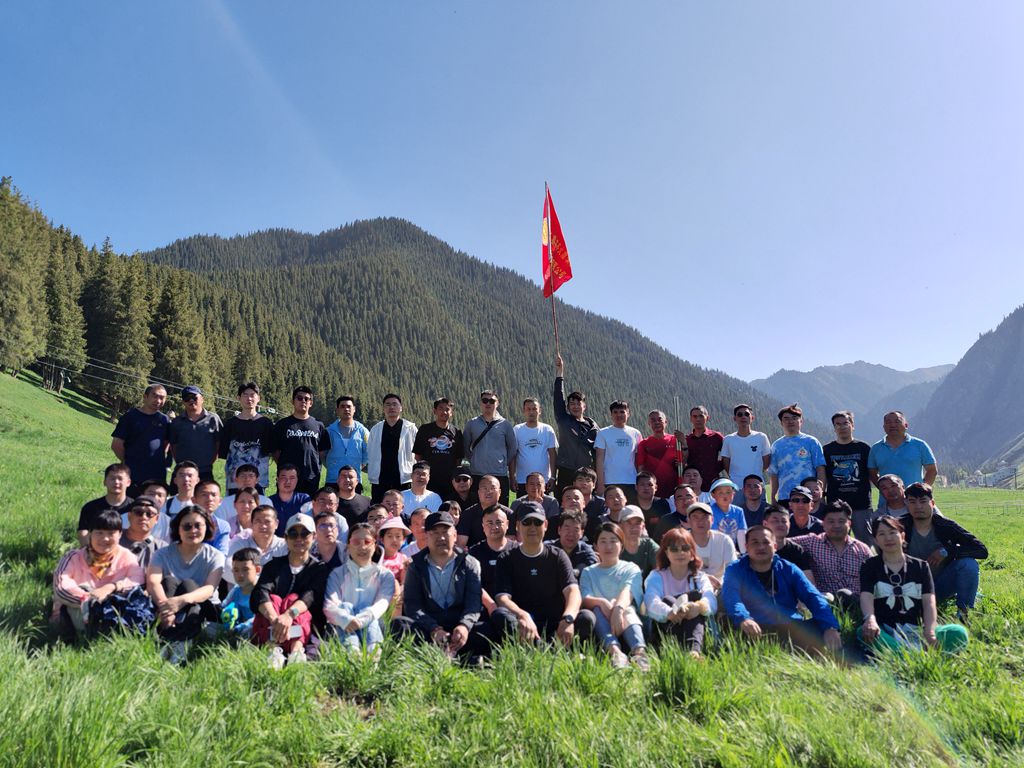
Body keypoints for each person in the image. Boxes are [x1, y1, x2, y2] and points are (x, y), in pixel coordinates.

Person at [720, 526, 842, 656]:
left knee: (821, 628)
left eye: (766, 542)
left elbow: (812, 597)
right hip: (754, 626)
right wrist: (744, 619)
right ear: (746, 547)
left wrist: (830, 627)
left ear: (775, 546)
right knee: (731, 625)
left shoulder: (788, 568)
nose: (761, 547)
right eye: (755, 542)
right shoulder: (735, 569)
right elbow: (732, 598)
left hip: (790, 625)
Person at [391, 510, 494, 660]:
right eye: (435, 533)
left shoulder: (470, 563)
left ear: (455, 535)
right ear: (426, 536)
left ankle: (459, 656)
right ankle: (456, 657)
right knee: (400, 625)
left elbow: (473, 603)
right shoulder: (416, 565)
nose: (441, 537)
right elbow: (413, 605)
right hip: (429, 626)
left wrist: (464, 626)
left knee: (493, 626)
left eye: (445, 532)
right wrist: (434, 629)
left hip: (460, 625)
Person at [859, 516, 969, 654]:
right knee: (863, 633)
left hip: (917, 630)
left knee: (958, 633)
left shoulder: (920, 566)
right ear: (875, 540)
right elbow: (866, 596)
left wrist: (930, 630)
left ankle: (902, 654)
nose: (888, 538)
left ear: (902, 536)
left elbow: (929, 602)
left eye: (892, 532)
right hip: (886, 630)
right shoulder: (869, 566)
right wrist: (870, 619)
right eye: (881, 534)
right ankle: (914, 654)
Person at [492, 503, 596, 647]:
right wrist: (522, 615)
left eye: (537, 522)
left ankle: (544, 647)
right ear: (517, 526)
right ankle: (549, 649)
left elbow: (573, 591)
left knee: (586, 617)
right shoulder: (506, 558)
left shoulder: (558, 556)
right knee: (500, 615)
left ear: (545, 525)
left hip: (556, 623)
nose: (532, 527)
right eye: (527, 522)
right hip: (523, 624)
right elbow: (502, 598)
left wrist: (568, 618)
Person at [147, 505, 225, 664]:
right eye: (187, 526)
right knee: (169, 581)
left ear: (207, 527)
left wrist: (181, 600)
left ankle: (178, 641)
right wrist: (167, 609)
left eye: (198, 526)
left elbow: (209, 589)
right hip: (167, 605)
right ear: (178, 529)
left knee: (189, 585)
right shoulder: (162, 553)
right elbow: (153, 582)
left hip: (204, 607)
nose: (193, 530)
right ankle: (172, 639)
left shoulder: (215, 556)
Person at [53, 509, 145, 639]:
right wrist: (90, 599)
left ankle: (106, 635)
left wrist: (112, 587)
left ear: (120, 534)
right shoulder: (73, 557)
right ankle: (89, 635)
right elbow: (61, 587)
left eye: (111, 533)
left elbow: (138, 580)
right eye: (99, 533)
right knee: (83, 588)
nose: (105, 538)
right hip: (77, 611)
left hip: (112, 610)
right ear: (90, 534)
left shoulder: (127, 556)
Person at [251, 512, 328, 667]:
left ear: (313, 537)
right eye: (293, 534)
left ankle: (296, 653)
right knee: (273, 600)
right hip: (272, 625)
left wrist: (288, 615)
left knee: (295, 601)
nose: (299, 539)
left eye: (304, 534)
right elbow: (260, 593)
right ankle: (274, 651)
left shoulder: (319, 569)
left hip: (303, 629)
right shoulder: (273, 566)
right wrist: (276, 619)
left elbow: (310, 596)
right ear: (286, 538)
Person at [901, 483, 988, 618]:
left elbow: (981, 550)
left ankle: (964, 614)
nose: (918, 506)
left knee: (968, 564)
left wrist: (947, 551)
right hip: (907, 588)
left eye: (923, 501)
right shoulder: (899, 526)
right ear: (906, 504)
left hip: (940, 585)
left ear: (932, 503)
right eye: (912, 502)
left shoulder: (945, 526)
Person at [580, 522, 650, 670]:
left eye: (613, 541)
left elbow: (628, 591)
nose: (608, 546)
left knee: (627, 609)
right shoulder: (588, 572)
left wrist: (618, 609)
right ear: (595, 546)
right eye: (603, 541)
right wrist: (603, 602)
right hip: (601, 627)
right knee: (597, 609)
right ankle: (616, 653)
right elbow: (585, 597)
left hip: (627, 623)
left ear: (621, 545)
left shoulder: (631, 568)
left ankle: (640, 653)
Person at [324, 522, 396, 654]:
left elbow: (381, 604)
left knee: (369, 611)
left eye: (367, 542)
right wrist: (347, 620)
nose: (362, 547)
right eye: (356, 542)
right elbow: (330, 606)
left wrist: (361, 620)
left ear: (375, 545)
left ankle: (373, 653)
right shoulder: (337, 574)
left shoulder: (385, 575)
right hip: (344, 625)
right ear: (348, 545)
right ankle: (352, 652)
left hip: (374, 625)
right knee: (345, 607)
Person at [643, 528, 716, 657]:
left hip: (696, 624)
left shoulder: (700, 577)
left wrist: (698, 607)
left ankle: (693, 652)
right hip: (666, 628)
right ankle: (690, 651)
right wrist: (670, 612)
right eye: (674, 549)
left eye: (685, 548)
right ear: (666, 553)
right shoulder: (656, 576)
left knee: (694, 603)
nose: (680, 553)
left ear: (692, 553)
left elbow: (711, 600)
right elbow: (651, 602)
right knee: (668, 600)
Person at [790, 501, 873, 609]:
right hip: (826, 604)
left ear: (849, 523)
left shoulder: (862, 550)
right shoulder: (811, 542)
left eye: (841, 521)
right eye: (831, 521)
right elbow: (781, 543)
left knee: (846, 594)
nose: (836, 526)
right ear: (823, 523)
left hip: (857, 605)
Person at [823, 410, 874, 543]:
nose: (842, 427)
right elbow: (823, 476)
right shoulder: (827, 450)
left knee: (865, 543)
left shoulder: (864, 448)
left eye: (845, 423)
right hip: (836, 506)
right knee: (836, 542)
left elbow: (872, 474)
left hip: (861, 505)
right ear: (834, 428)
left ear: (852, 425)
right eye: (838, 424)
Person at [111, 383, 170, 494]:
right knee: (131, 503)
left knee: (153, 504)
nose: (158, 400)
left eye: (162, 398)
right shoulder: (130, 417)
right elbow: (116, 445)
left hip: (157, 474)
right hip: (133, 473)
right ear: (145, 396)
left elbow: (166, 444)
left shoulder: (164, 420)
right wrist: (128, 462)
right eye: (155, 396)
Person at [552, 354, 599, 496]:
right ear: (567, 407)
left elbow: (598, 453)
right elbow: (558, 397)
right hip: (566, 471)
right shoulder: (563, 420)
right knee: (564, 503)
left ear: (584, 406)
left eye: (579, 403)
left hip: (586, 473)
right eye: (572, 403)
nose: (575, 406)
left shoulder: (593, 427)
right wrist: (560, 373)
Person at [273, 386, 330, 497]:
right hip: (287, 478)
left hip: (311, 478)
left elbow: (322, 453)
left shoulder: (319, 425)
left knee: (309, 507)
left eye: (306, 399)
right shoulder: (282, 425)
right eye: (299, 398)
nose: (303, 401)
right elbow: (276, 453)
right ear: (293, 401)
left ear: (311, 403)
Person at [463, 390, 517, 505]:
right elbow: (465, 447)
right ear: (481, 403)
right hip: (477, 475)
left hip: (499, 475)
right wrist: (474, 460)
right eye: (485, 400)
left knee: (500, 509)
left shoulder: (505, 425)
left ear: (497, 403)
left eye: (492, 401)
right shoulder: (471, 424)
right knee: (476, 509)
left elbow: (512, 448)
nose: (488, 403)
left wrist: (503, 462)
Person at [219, 381, 275, 492]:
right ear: (238, 398)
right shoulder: (230, 424)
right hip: (234, 481)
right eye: (245, 395)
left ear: (258, 398)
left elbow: (272, 450)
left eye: (252, 395)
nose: (249, 398)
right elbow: (223, 452)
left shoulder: (266, 424)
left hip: (258, 481)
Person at [769, 404, 826, 504]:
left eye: (794, 418)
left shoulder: (811, 442)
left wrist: (821, 494)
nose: (790, 421)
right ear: (781, 422)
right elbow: (774, 474)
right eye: (786, 418)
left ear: (801, 421)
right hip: (785, 497)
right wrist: (773, 496)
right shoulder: (776, 446)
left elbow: (820, 470)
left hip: (809, 497)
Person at [868, 411, 938, 489]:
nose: (892, 425)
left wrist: (922, 490)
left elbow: (932, 470)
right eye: (888, 422)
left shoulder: (920, 445)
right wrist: (885, 489)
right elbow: (872, 473)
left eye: (897, 421)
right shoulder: (876, 448)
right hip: (886, 497)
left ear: (906, 425)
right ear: (884, 427)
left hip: (914, 496)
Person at [368, 393, 418, 503]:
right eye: (388, 404)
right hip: (380, 480)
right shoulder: (376, 430)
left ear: (401, 408)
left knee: (404, 509)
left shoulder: (410, 428)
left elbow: (418, 454)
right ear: (383, 408)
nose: (391, 407)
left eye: (395, 404)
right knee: (379, 509)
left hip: (404, 479)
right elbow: (370, 453)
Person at [467, 505, 516, 617]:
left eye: (499, 522)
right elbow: (472, 584)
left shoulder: (517, 550)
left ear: (507, 524)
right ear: (483, 526)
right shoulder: (474, 553)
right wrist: (491, 605)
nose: (495, 527)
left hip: (515, 608)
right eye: (490, 523)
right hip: (483, 610)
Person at [413, 397, 465, 500]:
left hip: (449, 481)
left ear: (451, 413)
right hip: (429, 479)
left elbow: (459, 458)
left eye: (447, 409)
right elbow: (418, 455)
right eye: (441, 408)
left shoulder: (456, 432)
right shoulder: (425, 430)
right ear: (435, 411)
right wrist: (423, 472)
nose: (444, 412)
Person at [168, 385, 223, 482]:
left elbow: (218, 443)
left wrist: (210, 461)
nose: (191, 400)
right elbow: (173, 446)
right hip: (182, 472)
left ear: (202, 399)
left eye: (194, 397)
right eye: (187, 398)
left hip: (205, 471)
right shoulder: (176, 422)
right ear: (183, 402)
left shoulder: (213, 419)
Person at [226, 504, 287, 584]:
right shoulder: (240, 544)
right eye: (258, 521)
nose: (263, 526)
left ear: (276, 524)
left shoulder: (285, 546)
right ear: (251, 524)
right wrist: (256, 582)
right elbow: (227, 567)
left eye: (267, 522)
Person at [594, 400, 642, 502]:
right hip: (610, 481)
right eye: (615, 412)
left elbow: (638, 459)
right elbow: (599, 459)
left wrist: (640, 482)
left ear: (628, 413)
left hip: (631, 481)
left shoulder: (636, 433)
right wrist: (600, 484)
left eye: (622, 412)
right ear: (611, 415)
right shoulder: (603, 433)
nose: (618, 415)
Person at [77, 463, 133, 546]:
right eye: (112, 478)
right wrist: (92, 551)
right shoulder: (90, 507)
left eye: (120, 478)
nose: (116, 482)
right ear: (104, 482)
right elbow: (83, 532)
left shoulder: (135, 508)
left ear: (128, 482)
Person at [510, 398, 558, 494]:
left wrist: (553, 477)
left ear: (539, 411)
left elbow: (552, 455)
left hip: (543, 480)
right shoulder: (517, 430)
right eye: (528, 409)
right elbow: (513, 455)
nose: (531, 412)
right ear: (524, 411)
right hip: (522, 480)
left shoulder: (547, 430)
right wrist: (512, 477)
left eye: (534, 409)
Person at [685, 502, 737, 590]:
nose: (700, 521)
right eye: (695, 517)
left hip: (720, 588)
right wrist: (703, 578)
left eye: (704, 517)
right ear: (688, 521)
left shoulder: (724, 540)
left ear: (712, 520)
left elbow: (733, 571)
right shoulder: (682, 541)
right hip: (689, 588)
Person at [324, 395, 370, 492]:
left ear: (354, 409)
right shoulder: (328, 431)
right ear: (337, 410)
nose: (346, 409)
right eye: (342, 406)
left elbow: (367, 453)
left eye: (349, 406)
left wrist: (359, 466)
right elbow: (323, 455)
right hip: (333, 480)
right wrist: (332, 466)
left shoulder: (363, 431)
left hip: (354, 480)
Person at [720, 404, 772, 488]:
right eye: (740, 415)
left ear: (752, 418)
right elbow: (726, 463)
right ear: (735, 418)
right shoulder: (728, 440)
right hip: (736, 486)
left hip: (757, 486)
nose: (743, 417)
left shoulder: (761, 437)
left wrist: (756, 473)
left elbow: (766, 462)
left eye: (747, 414)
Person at [637, 410, 684, 500]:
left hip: (674, 490)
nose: (657, 422)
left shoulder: (676, 441)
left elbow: (684, 462)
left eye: (659, 419)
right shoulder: (644, 444)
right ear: (649, 424)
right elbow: (641, 468)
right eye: (653, 420)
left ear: (666, 422)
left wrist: (684, 443)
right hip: (653, 491)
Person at [456, 475, 513, 549]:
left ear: (499, 492)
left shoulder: (509, 514)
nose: (489, 492)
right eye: (485, 488)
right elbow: (460, 545)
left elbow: (510, 543)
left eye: (492, 488)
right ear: (479, 493)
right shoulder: (467, 515)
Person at [762, 504, 815, 584]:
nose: (780, 524)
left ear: (789, 525)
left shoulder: (797, 551)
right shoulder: (757, 549)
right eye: (775, 521)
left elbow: (809, 583)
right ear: (765, 524)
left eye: (784, 521)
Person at [677, 406, 724, 492]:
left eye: (701, 416)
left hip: (712, 483)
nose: (698, 419)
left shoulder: (716, 437)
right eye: (695, 416)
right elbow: (682, 461)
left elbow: (727, 456)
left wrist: (715, 468)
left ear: (707, 418)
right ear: (691, 419)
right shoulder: (687, 440)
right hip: (693, 484)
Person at [220, 548, 261, 640]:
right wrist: (226, 614)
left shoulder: (262, 591)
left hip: (258, 630)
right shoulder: (236, 591)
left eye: (245, 569)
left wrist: (241, 627)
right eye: (236, 570)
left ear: (257, 570)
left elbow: (261, 617)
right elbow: (223, 607)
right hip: (238, 630)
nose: (240, 575)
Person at [217, 464, 272, 532]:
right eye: (243, 476)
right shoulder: (224, 503)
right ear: (236, 479)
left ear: (257, 480)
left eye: (251, 476)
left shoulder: (266, 502)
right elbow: (220, 528)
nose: (247, 479)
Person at [550, 508, 598, 579]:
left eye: (576, 530)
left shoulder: (586, 550)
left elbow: (592, 566)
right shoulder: (549, 549)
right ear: (559, 530)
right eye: (567, 528)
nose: (571, 534)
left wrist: (576, 571)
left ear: (582, 533)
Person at [121, 496, 166, 570]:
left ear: (157, 519)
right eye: (138, 512)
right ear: (129, 516)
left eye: (149, 513)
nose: (143, 517)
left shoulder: (162, 549)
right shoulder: (112, 539)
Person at [617, 505, 658, 580]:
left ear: (643, 527)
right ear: (620, 526)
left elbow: (662, 570)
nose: (633, 527)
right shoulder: (614, 548)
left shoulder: (649, 545)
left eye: (637, 523)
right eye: (628, 523)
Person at [192, 479, 232, 555]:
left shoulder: (222, 526)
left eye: (214, 495)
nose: (210, 499)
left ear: (220, 501)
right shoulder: (183, 522)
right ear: (194, 500)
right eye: (204, 495)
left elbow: (222, 554)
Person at [270, 464, 311, 536]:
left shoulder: (304, 499)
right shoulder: (269, 501)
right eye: (284, 477)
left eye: (292, 478)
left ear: (297, 480)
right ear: (277, 480)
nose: (288, 481)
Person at [708, 478, 748, 553]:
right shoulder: (710, 511)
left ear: (733, 494)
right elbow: (713, 535)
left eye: (728, 492)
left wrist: (743, 554)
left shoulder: (738, 511)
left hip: (733, 551)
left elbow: (742, 533)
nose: (725, 495)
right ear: (713, 495)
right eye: (720, 493)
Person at [634, 471, 671, 541]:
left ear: (656, 487)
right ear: (636, 487)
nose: (646, 488)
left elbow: (668, 528)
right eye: (642, 484)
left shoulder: (662, 504)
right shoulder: (631, 505)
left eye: (650, 485)